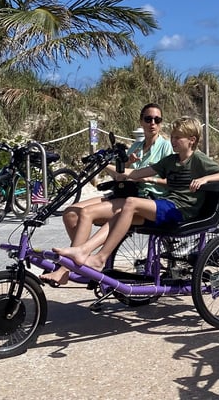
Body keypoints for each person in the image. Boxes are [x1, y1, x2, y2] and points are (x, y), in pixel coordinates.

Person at [53, 116, 219, 273]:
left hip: (182, 211)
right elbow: (135, 174)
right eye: (172, 137)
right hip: (168, 205)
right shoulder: (170, 160)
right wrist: (107, 165)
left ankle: (100, 258)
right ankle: (84, 251)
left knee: (131, 203)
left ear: (192, 140)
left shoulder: (198, 159)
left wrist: (204, 179)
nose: (173, 141)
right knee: (121, 214)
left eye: (178, 137)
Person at [41, 103, 173, 286]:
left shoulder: (165, 147)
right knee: (70, 213)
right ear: (141, 121)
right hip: (123, 191)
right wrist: (125, 164)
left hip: (143, 197)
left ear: (161, 123)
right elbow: (120, 174)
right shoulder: (136, 146)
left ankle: (65, 269)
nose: (152, 123)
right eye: (148, 119)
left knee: (87, 213)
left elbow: (171, 179)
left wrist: (145, 178)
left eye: (157, 120)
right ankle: (83, 261)